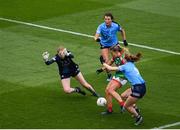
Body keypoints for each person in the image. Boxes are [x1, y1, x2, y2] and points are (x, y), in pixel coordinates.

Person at [101, 52, 146, 125]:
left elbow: (110, 68)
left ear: (126, 60)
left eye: (123, 58)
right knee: (123, 96)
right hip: (141, 86)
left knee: (126, 106)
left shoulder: (124, 66)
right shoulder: (131, 64)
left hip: (138, 88)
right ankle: (136, 109)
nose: (122, 59)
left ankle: (138, 117)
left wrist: (103, 62)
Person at [94, 12, 128, 81]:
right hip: (104, 45)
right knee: (106, 61)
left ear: (111, 20)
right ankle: (109, 75)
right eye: (105, 19)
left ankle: (120, 75)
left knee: (117, 60)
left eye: (108, 19)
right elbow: (96, 36)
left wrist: (124, 40)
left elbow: (122, 30)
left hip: (114, 44)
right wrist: (96, 39)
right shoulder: (101, 26)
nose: (107, 21)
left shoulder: (115, 26)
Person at [97, 45, 128, 115]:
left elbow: (116, 68)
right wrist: (101, 69)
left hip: (123, 76)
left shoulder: (122, 58)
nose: (111, 54)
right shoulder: (115, 56)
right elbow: (110, 63)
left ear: (116, 52)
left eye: (112, 53)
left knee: (111, 90)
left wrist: (103, 63)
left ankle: (122, 104)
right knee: (107, 91)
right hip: (117, 75)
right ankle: (110, 109)